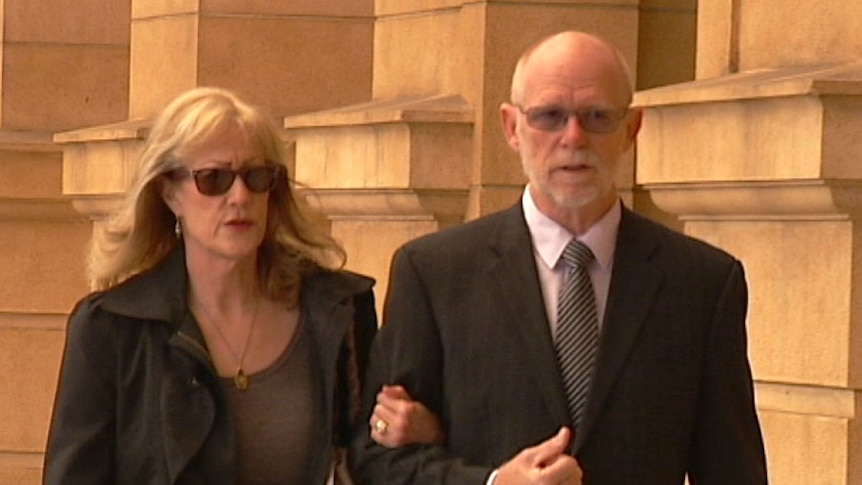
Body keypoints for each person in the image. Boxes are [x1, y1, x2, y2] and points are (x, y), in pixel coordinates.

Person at [350, 31, 768, 484]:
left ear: (632, 129)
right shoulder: (434, 272)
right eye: (550, 116)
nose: (573, 136)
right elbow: (378, 462)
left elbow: (733, 470)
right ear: (512, 128)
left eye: (597, 116)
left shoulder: (701, 283)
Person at [43, 87, 382, 484]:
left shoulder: (338, 312)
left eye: (257, 177)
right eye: (213, 179)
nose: (239, 197)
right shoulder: (114, 329)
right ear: (170, 192)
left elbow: (375, 457)